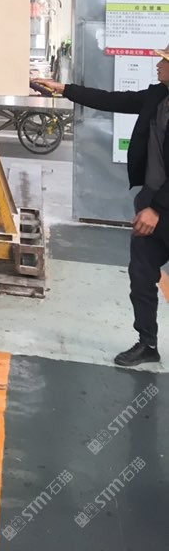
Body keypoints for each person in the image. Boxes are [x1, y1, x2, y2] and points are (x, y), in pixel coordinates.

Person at [37, 45, 169, 368]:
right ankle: (147, 343)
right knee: (141, 273)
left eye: (164, 61)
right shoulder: (157, 97)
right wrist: (64, 89)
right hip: (152, 203)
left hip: (159, 207)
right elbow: (113, 100)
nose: (158, 64)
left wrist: (157, 209)